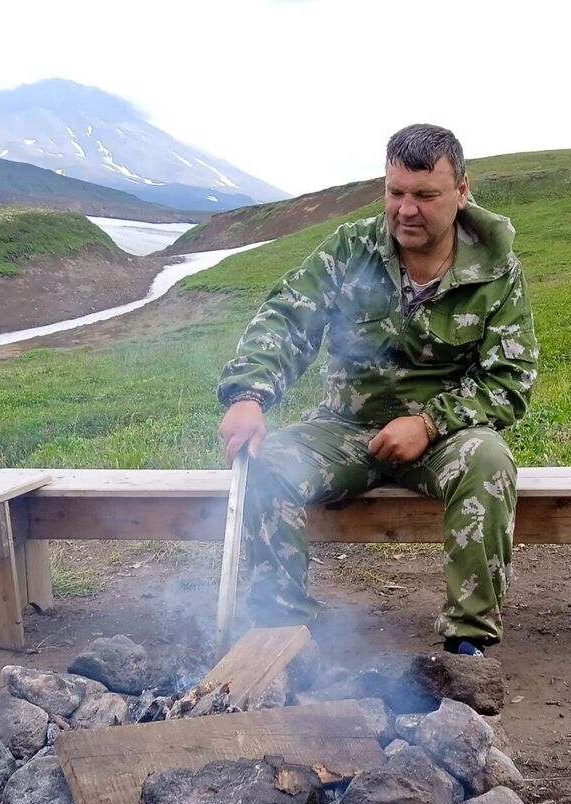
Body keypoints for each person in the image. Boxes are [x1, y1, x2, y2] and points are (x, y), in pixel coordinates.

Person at [216, 123, 538, 655]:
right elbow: (287, 319)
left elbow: (511, 376)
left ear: (461, 192)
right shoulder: (350, 250)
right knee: (267, 461)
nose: (406, 210)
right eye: (395, 193)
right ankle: (282, 633)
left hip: (445, 439)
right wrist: (250, 395)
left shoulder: (496, 268)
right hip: (344, 429)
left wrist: (429, 422)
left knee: (489, 462)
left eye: (426, 195)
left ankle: (467, 645)